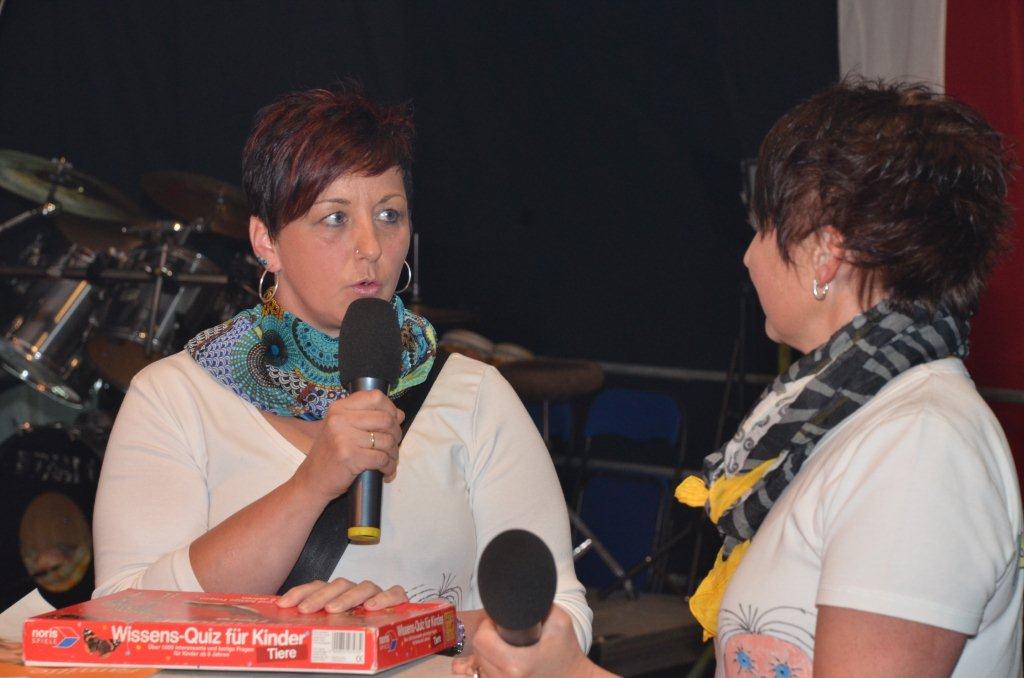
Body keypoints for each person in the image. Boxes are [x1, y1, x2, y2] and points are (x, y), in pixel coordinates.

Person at [456, 80, 1022, 676]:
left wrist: (571, 674)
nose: (750, 255)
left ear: (826, 254)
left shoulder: (919, 444)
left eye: (763, 228)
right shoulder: (841, 420)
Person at [92, 83, 592, 655]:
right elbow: (117, 623)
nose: (371, 246)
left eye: (389, 215)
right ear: (266, 240)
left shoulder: (473, 394)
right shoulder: (175, 397)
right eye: (334, 218)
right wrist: (311, 484)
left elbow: (565, 620)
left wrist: (423, 627)